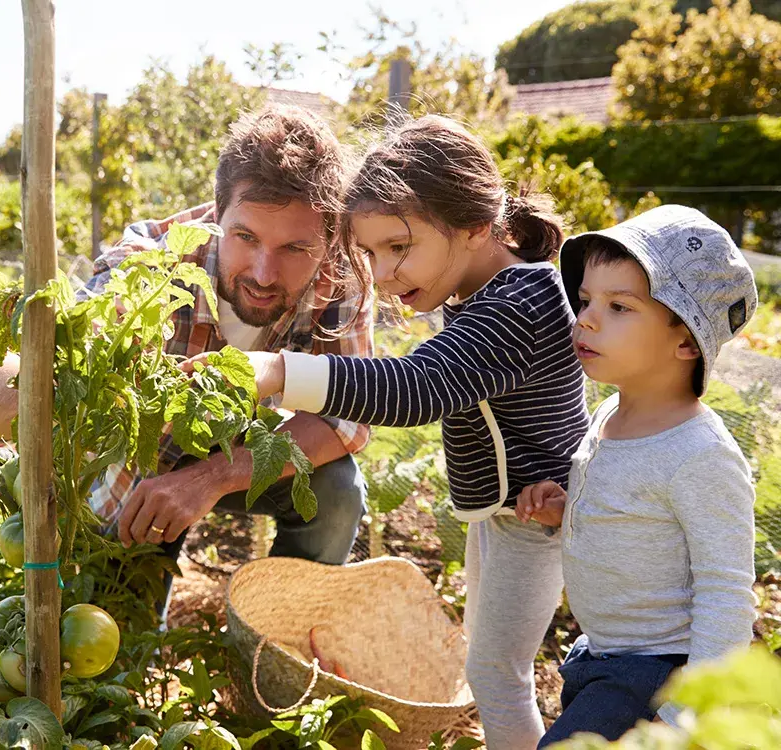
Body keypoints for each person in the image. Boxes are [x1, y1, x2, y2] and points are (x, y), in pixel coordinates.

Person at [186, 114, 591, 750]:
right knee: (501, 669)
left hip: (538, 522)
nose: (384, 273)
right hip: (515, 515)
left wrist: (273, 371)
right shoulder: (491, 295)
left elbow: (415, 388)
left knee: (499, 676)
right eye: (370, 253)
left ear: (476, 226)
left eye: (398, 248)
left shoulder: (521, 303)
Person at [0, 104, 373, 613]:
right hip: (145, 465)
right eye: (246, 238)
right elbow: (12, 383)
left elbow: (345, 417)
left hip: (241, 448)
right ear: (217, 215)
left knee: (335, 489)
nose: (264, 272)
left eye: (294, 249)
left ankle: (279, 635)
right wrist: (22, 383)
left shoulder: (342, 276)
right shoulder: (153, 262)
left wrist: (211, 477)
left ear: (328, 238)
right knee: (116, 639)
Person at [516, 205, 758, 746]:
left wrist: (682, 719)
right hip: (602, 655)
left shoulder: (700, 455)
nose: (587, 319)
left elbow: (726, 595)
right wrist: (567, 508)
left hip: (656, 674)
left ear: (687, 341)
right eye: (585, 301)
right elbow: (632, 512)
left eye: (619, 306)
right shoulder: (609, 415)